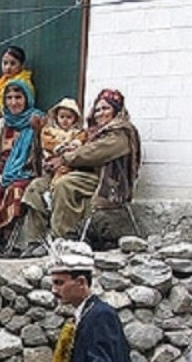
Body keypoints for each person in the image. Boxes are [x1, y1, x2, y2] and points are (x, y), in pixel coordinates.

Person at [46, 89, 142, 250]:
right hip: (91, 174)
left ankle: (64, 237)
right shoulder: (94, 132)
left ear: (116, 110)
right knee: (38, 186)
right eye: (97, 109)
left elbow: (94, 153)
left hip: (110, 182)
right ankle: (34, 241)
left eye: (106, 108)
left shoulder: (121, 132)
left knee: (65, 184)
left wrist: (65, 158)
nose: (100, 113)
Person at [0, 79, 43, 251]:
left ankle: (11, 240)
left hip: (27, 170)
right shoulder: (2, 123)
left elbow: (40, 155)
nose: (13, 102)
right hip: (4, 170)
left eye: (18, 97)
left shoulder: (37, 120)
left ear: (27, 99)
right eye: (9, 98)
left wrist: (37, 133)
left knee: (15, 191)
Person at [18, 97, 87, 255]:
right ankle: (35, 240)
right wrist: (59, 149)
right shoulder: (49, 132)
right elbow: (47, 145)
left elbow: (81, 151)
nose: (65, 121)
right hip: (51, 170)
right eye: (62, 117)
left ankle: (58, 238)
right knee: (35, 188)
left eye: (69, 117)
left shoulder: (80, 134)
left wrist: (71, 150)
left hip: (71, 171)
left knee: (61, 185)